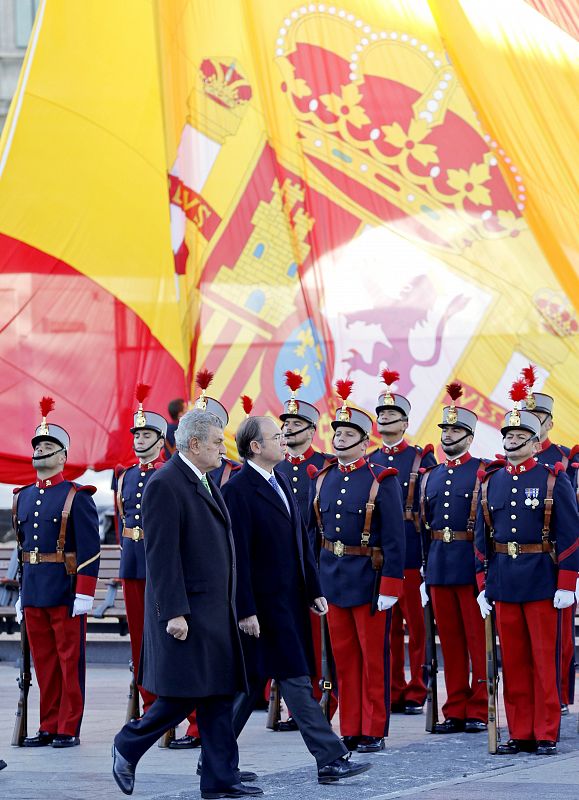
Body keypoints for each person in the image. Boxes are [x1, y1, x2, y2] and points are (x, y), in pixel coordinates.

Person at [112, 409, 261, 799]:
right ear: (193, 444)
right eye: (215, 442)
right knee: (184, 695)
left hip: (215, 610)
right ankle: (128, 744)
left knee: (217, 694)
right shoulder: (165, 483)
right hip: (190, 613)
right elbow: (161, 555)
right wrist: (173, 611)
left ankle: (219, 781)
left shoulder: (203, 479)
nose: (222, 449)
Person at [222, 413, 371, 785]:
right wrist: (244, 609)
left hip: (287, 602)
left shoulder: (281, 481)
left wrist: (313, 588)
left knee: (255, 685)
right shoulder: (238, 490)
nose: (284, 439)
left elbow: (300, 541)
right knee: (294, 679)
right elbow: (235, 556)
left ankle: (215, 757)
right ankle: (330, 757)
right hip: (261, 607)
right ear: (256, 446)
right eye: (277, 436)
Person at [475, 380, 579, 755]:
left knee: (543, 660)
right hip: (504, 579)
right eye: (510, 433)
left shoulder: (553, 479)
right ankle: (520, 732)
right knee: (514, 662)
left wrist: (567, 583)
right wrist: (482, 583)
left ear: (536, 443)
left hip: (541, 580)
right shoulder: (491, 482)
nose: (513, 440)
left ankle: (546, 731)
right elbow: (482, 537)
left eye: (522, 434)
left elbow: (570, 534)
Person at [309, 379, 405, 753]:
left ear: (365, 441)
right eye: (339, 431)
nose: (342, 438)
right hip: (333, 578)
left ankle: (374, 728)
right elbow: (314, 536)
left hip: (369, 579)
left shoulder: (382, 479)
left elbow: (396, 538)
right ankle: (350, 725)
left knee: (372, 659)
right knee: (344, 659)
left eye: (350, 433)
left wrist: (391, 588)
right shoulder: (325, 479)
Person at [14, 397, 100, 747]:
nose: (41, 452)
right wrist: (21, 595)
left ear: (63, 456)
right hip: (34, 588)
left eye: (49, 446)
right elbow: (23, 552)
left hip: (65, 590)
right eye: (38, 446)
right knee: (44, 663)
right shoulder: (23, 496)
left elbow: (90, 549)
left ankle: (67, 727)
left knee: (68, 662)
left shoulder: (76, 495)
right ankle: (47, 724)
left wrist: (84, 592)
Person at [419, 382, 487, 734]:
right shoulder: (430, 476)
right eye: (445, 429)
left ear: (470, 436)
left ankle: (477, 707)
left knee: (478, 642)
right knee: (451, 645)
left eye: (456, 430)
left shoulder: (482, 471)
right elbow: (422, 525)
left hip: (470, 567)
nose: (448, 435)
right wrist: (422, 572)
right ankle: (455, 708)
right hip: (440, 568)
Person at [368, 370, 436, 715]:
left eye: (391, 415)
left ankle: (416, 688)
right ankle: (392, 686)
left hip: (412, 550)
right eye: (380, 414)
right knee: (388, 625)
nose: (384, 419)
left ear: (405, 422)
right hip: (380, 555)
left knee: (416, 626)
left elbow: (430, 508)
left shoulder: (420, 459)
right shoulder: (370, 460)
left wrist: (427, 555)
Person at [276, 371, 336, 728]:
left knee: (318, 645)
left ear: (311, 431)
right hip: (282, 570)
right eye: (286, 425)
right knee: (291, 641)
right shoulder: (276, 468)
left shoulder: (325, 467)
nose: (288, 431)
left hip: (314, 566)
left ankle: (319, 707)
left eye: (296, 425)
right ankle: (293, 708)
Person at [520, 367, 579, 714]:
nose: (532, 422)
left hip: (560, 558)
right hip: (526, 562)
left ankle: (556, 695)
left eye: (538, 416)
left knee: (560, 638)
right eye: (526, 416)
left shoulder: (565, 460)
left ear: (550, 423)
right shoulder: (510, 461)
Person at [114, 383, 167, 717]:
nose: (139, 440)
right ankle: (149, 705)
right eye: (137, 435)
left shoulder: (167, 473)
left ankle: (172, 707)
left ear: (161, 441)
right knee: (139, 639)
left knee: (165, 637)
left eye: (146, 436)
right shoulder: (126, 476)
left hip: (159, 563)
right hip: (134, 562)